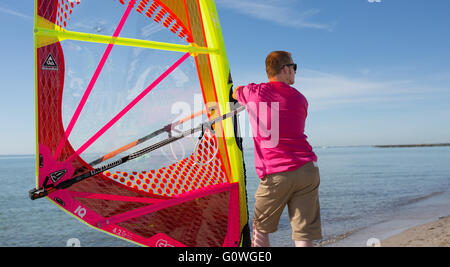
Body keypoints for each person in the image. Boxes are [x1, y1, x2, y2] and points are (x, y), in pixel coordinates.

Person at [233, 51, 322, 247]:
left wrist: (243, 96)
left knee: (260, 229)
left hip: (276, 174)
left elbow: (235, 91)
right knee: (303, 233)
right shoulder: (301, 99)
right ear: (285, 69)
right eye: (294, 68)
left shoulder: (255, 92)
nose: (295, 72)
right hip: (307, 169)